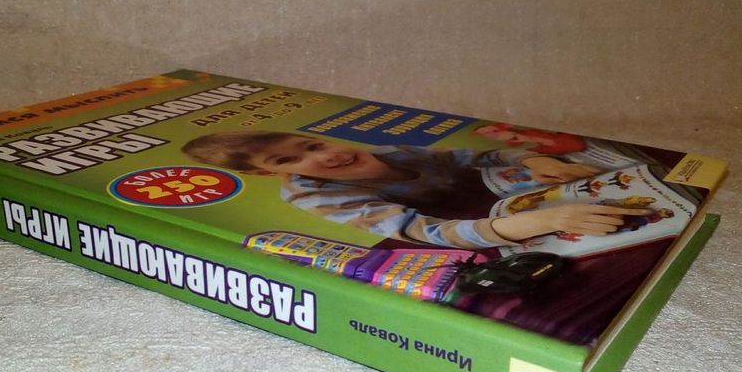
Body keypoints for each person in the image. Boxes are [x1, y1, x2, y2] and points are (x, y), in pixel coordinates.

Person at [181, 131, 649, 250]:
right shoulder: (315, 194)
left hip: (493, 203)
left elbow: (465, 158)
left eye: (313, 145)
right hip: (455, 237)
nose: (324, 157)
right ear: (268, 174)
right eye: (289, 161)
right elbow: (425, 232)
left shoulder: (387, 150)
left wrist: (529, 160)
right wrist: (536, 222)